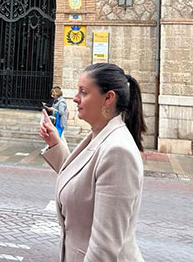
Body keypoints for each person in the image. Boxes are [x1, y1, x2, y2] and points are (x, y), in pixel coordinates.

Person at [39, 63, 146, 262]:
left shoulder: (118, 151)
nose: (75, 98)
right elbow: (83, 183)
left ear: (108, 98)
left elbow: (104, 248)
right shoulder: (100, 135)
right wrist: (56, 145)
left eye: (84, 92)